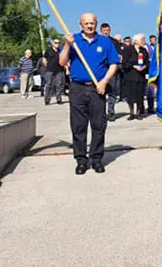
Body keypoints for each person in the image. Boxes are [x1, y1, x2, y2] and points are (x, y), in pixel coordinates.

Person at [59, 13, 119, 175]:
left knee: (99, 125)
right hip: (77, 88)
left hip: (97, 88)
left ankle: (96, 159)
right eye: (86, 23)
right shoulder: (74, 40)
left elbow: (113, 64)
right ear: (81, 24)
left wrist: (104, 81)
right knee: (78, 125)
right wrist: (67, 45)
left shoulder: (105, 42)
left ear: (96, 24)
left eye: (92, 23)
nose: (89, 26)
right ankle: (81, 160)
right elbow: (62, 62)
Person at [122, 33, 150, 120]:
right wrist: (134, 66)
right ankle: (131, 113)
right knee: (130, 96)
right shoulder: (128, 49)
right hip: (130, 76)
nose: (144, 42)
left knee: (140, 96)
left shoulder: (144, 50)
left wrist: (144, 67)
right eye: (142, 40)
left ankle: (138, 113)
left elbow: (148, 62)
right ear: (136, 41)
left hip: (141, 76)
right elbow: (125, 63)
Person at [101, 23, 122, 122]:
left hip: (112, 70)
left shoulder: (114, 42)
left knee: (112, 92)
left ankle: (111, 113)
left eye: (107, 30)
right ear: (101, 31)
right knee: (100, 92)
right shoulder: (97, 40)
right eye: (104, 30)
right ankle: (101, 113)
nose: (106, 32)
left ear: (110, 31)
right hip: (100, 70)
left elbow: (119, 55)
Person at [43, 39, 65, 105]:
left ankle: (59, 99)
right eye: (55, 42)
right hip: (50, 70)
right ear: (53, 44)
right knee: (49, 85)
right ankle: (47, 99)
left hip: (59, 70)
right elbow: (44, 59)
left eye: (58, 43)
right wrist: (46, 66)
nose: (57, 44)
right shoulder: (48, 50)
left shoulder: (61, 50)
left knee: (59, 85)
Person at [145, 34, 157, 114]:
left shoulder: (154, 48)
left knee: (151, 89)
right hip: (145, 71)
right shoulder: (147, 47)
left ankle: (151, 107)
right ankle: (143, 108)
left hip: (152, 71)